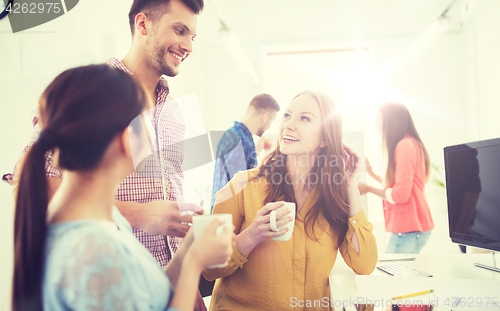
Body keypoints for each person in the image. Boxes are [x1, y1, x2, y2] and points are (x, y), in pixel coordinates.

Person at [12, 65, 234, 311]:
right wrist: (194, 263)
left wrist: (186, 253)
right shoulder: (95, 251)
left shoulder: (99, 221)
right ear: (126, 141)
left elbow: (148, 296)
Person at [203, 91, 378, 310]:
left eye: (304, 118)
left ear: (325, 138)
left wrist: (350, 187)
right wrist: (251, 235)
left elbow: (365, 264)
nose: (288, 125)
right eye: (287, 115)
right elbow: (208, 267)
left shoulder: (334, 197)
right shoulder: (242, 185)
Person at [358, 102, 434, 254]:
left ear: (391, 122)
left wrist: (368, 189)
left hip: (409, 229)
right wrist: (372, 174)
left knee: (393, 273)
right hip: (412, 227)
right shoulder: (411, 143)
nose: (376, 126)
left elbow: (400, 195)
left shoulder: (404, 145)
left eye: (378, 121)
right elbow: (401, 184)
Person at [211, 94, 280, 211]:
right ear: (265, 116)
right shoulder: (243, 142)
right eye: (271, 121)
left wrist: (255, 153)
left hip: (220, 211)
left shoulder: (231, 134)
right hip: (229, 216)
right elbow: (235, 186)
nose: (269, 126)